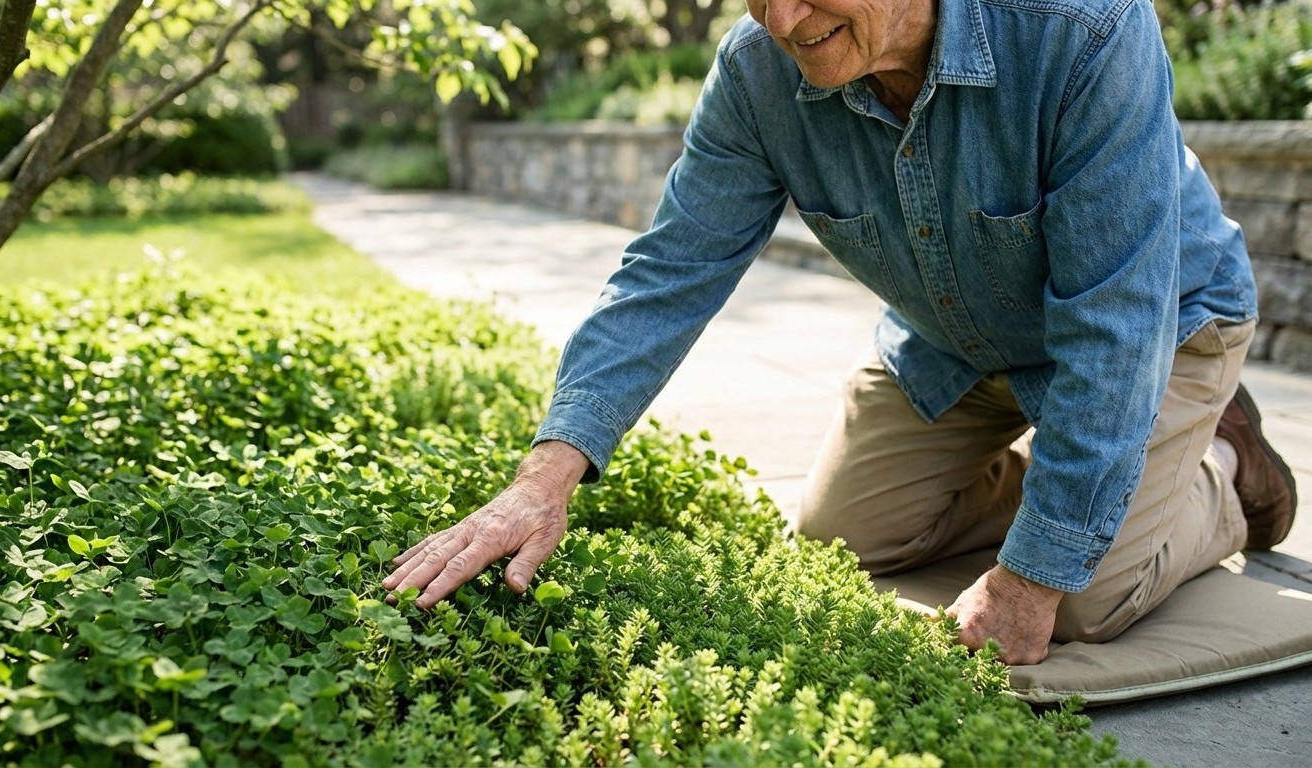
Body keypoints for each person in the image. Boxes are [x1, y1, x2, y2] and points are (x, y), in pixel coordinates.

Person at [382, 0, 1299, 664]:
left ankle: (1219, 466)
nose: (782, 21)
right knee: (839, 542)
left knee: (1080, 597)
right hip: (952, 344)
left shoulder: (1084, 29)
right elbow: (669, 272)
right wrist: (541, 480)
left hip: (1158, 330)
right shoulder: (755, 71)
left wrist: (1033, 576)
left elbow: (1114, 321)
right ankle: (1097, 478)